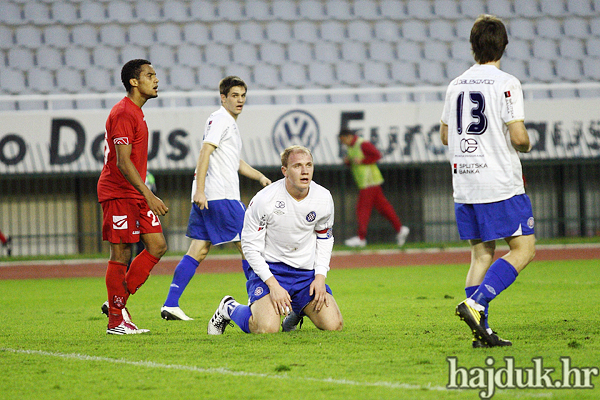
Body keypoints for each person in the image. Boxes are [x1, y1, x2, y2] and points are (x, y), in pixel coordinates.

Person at [439, 15, 536, 348]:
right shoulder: (506, 83)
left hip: (465, 184)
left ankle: (482, 333)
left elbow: (444, 135)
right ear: (504, 46)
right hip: (499, 182)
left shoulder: (455, 85)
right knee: (524, 249)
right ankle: (477, 304)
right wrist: (526, 143)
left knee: (481, 256)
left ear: (472, 46)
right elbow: (519, 136)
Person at [160, 76, 271, 321]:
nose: (240, 100)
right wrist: (200, 190)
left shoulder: (223, 121)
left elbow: (234, 161)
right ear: (223, 97)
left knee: (198, 250)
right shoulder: (222, 119)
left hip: (209, 197)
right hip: (220, 197)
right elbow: (205, 152)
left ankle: (170, 303)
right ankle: (259, 301)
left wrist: (259, 177)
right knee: (250, 246)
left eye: (243, 95)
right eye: (234, 95)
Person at [207, 145, 343, 335]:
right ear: (284, 171)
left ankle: (296, 310)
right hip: (271, 271)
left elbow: (325, 238)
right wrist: (273, 285)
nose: (305, 171)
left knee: (334, 325)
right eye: (297, 166)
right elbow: (249, 247)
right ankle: (228, 308)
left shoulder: (323, 197)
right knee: (266, 328)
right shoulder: (265, 199)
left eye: (309, 165)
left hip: (305, 275)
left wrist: (320, 277)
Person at [97, 59, 168, 335]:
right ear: (134, 82)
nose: (156, 79)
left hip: (133, 193)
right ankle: (116, 320)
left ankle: (117, 304)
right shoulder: (124, 113)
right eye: (150, 75)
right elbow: (122, 163)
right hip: (118, 192)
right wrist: (149, 195)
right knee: (121, 252)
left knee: (157, 245)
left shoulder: (136, 113)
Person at [338, 129, 409, 248]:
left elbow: (377, 155)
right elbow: (355, 163)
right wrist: (349, 162)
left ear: (349, 136)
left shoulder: (362, 144)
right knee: (383, 208)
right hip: (367, 182)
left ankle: (361, 238)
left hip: (369, 181)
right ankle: (400, 229)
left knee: (362, 209)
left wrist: (363, 161)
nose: (343, 143)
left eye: (343, 140)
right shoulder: (351, 147)